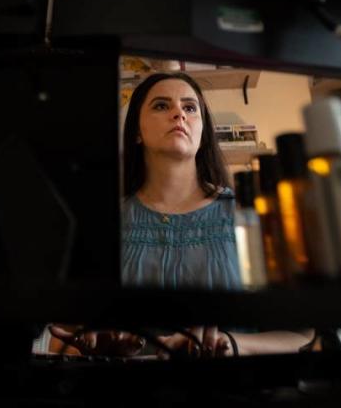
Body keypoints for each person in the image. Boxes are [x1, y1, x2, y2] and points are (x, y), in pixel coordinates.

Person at [51, 72, 311, 358]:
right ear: (136, 131)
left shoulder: (250, 216)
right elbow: (61, 337)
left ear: (203, 130)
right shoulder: (103, 223)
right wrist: (96, 346)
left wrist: (233, 343)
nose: (179, 114)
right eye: (161, 106)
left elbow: (303, 336)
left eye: (189, 108)